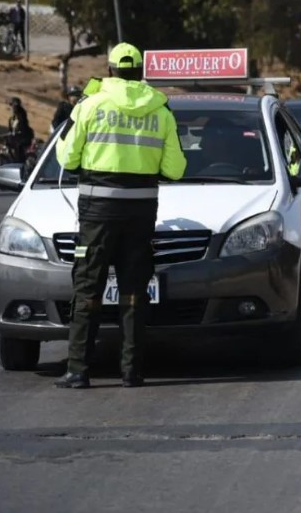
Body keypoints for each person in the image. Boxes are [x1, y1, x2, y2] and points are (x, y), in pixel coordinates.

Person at [54, 43, 187, 389]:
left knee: (87, 290)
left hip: (97, 214)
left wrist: (68, 121)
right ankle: (132, 372)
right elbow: (175, 169)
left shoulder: (90, 104)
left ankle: (78, 371)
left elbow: (67, 159)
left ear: (110, 70)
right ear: (141, 72)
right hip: (140, 214)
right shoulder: (161, 110)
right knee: (133, 292)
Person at [7, 96, 34, 163]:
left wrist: (18, 132)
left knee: (19, 148)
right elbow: (10, 130)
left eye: (14, 106)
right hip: (16, 138)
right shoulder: (11, 118)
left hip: (25, 137)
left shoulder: (22, 115)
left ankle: (20, 162)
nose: (12, 108)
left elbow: (23, 127)